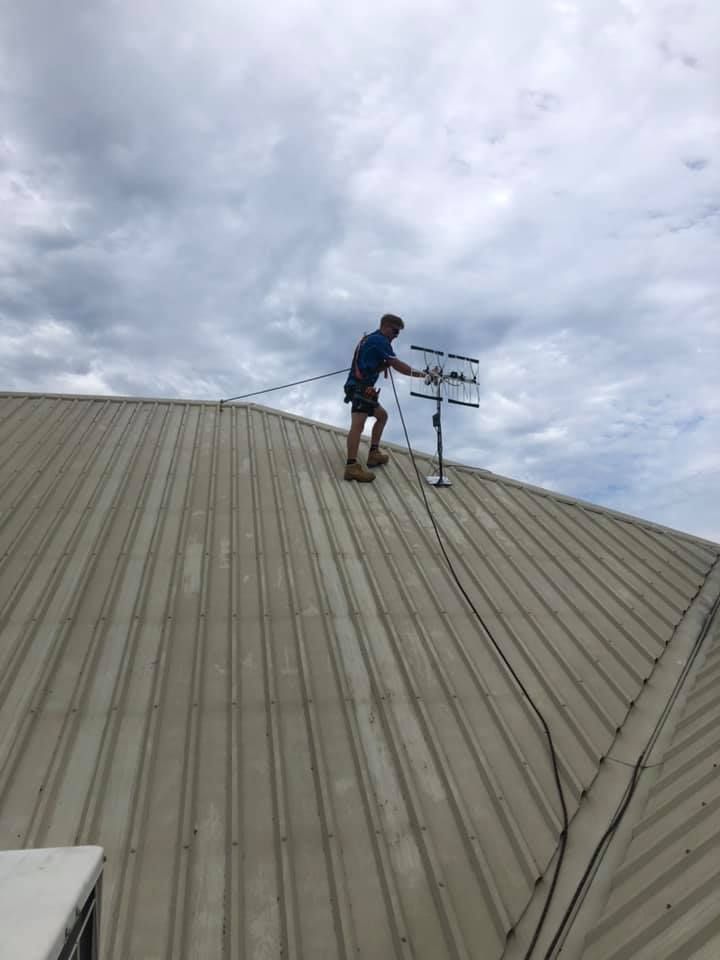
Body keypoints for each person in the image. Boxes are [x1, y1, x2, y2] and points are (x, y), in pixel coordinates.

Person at [343, 313, 434, 482]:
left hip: (364, 388)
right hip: (359, 388)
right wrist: (424, 375)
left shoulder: (372, 338)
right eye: (394, 331)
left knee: (382, 416)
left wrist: (381, 365)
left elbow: (373, 365)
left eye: (398, 333)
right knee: (358, 425)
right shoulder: (380, 341)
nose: (396, 336)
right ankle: (351, 466)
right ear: (385, 327)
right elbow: (399, 365)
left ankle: (373, 454)